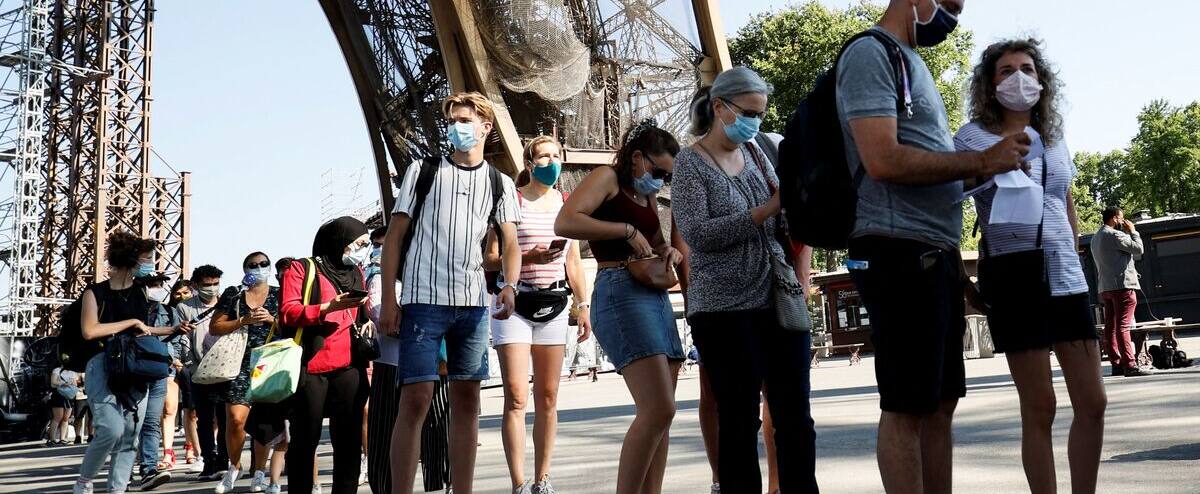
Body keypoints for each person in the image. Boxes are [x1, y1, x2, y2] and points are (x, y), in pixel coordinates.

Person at [837, 1, 1031, 492]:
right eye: (947, 4)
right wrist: (979, 162)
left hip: (931, 254)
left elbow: (922, 166)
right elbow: (882, 160)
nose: (950, 15)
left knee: (940, 404)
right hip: (897, 251)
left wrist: (980, 171)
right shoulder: (871, 53)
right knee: (907, 406)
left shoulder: (910, 59)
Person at [956, 38, 1108, 493]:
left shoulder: (1056, 139)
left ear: (1042, 81)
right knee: (1040, 406)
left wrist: (1080, 257)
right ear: (989, 84)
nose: (1018, 78)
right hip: (1015, 276)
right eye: (1005, 71)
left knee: (1094, 401)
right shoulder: (971, 137)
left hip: (1065, 277)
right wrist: (964, 281)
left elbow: (1065, 200)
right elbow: (949, 199)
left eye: (1027, 68)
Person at [673, 66, 819, 493]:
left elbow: (785, 214)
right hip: (724, 310)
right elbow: (698, 234)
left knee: (795, 416)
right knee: (738, 420)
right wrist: (766, 210)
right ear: (719, 107)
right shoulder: (690, 163)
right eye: (749, 111)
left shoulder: (758, 153)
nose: (756, 121)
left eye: (761, 112)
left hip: (778, 299)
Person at [379, 92, 522, 494]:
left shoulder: (500, 183)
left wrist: (509, 285)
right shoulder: (422, 171)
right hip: (423, 300)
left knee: (467, 404)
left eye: (465, 119)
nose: (457, 127)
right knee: (416, 400)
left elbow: (510, 243)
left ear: (486, 127)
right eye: (453, 120)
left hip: (473, 305)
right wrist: (390, 299)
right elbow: (395, 237)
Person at [554, 119, 684, 493]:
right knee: (659, 409)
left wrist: (667, 250)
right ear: (638, 157)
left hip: (653, 294)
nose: (661, 181)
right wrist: (624, 231)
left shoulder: (642, 194)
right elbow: (565, 222)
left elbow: (654, 242)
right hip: (621, 289)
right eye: (658, 171)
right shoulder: (607, 178)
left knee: (661, 416)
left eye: (667, 177)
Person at [482, 135, 593, 494]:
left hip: (555, 304)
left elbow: (573, 261)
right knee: (516, 395)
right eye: (543, 157)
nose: (551, 163)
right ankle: (518, 482)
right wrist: (530, 258)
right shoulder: (509, 201)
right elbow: (490, 258)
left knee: (548, 396)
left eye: (556, 156)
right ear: (529, 164)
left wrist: (584, 304)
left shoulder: (566, 203)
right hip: (514, 304)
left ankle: (542, 479)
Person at [74, 231, 192, 494]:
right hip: (102, 363)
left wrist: (174, 329)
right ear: (130, 261)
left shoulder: (140, 293)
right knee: (111, 428)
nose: (150, 264)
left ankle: (117, 489)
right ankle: (84, 482)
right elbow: (90, 330)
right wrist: (130, 323)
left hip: (134, 365)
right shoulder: (95, 292)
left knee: (130, 434)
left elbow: (144, 330)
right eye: (146, 259)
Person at [280, 216, 372, 494]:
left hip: (349, 366)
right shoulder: (302, 268)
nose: (361, 249)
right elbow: (288, 311)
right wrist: (326, 308)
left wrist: (365, 318)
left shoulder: (356, 270)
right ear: (340, 240)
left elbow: (359, 313)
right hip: (311, 366)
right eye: (358, 243)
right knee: (304, 441)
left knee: (348, 440)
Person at [209, 252, 283, 493]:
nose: (259, 268)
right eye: (253, 265)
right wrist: (243, 320)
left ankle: (259, 472)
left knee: (264, 422)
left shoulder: (279, 294)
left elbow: (292, 326)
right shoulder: (234, 295)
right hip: (238, 362)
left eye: (263, 264)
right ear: (245, 269)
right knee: (235, 419)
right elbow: (215, 326)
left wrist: (271, 319)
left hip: (269, 362)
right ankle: (234, 466)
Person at [175, 264, 228, 479]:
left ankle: (224, 460)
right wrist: (186, 364)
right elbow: (182, 339)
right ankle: (209, 460)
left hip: (225, 367)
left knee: (224, 418)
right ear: (196, 285)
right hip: (198, 368)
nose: (212, 288)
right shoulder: (184, 308)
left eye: (216, 284)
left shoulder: (227, 304)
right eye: (207, 284)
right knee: (203, 418)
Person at [1090, 206, 1153, 377]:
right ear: (1115, 218)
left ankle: (1116, 363)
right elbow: (1138, 249)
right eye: (1121, 218)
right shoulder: (1115, 235)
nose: (1123, 221)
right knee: (1123, 326)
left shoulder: (1095, 238)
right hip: (1122, 286)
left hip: (1105, 287)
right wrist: (1133, 231)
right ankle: (1130, 365)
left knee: (1110, 326)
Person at [135, 272, 181, 490]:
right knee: (131, 423)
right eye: (153, 284)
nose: (158, 288)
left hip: (159, 370)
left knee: (152, 422)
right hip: (133, 371)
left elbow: (178, 341)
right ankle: (124, 470)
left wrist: (174, 358)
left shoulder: (170, 312)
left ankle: (148, 469)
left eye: (160, 284)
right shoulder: (130, 311)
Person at [47, 366, 73, 446]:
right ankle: (52, 439)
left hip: (68, 395)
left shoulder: (72, 372)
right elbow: (53, 383)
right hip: (58, 395)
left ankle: (62, 438)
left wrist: (71, 384)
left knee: (66, 418)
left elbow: (74, 383)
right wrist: (64, 383)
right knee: (58, 417)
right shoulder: (57, 370)